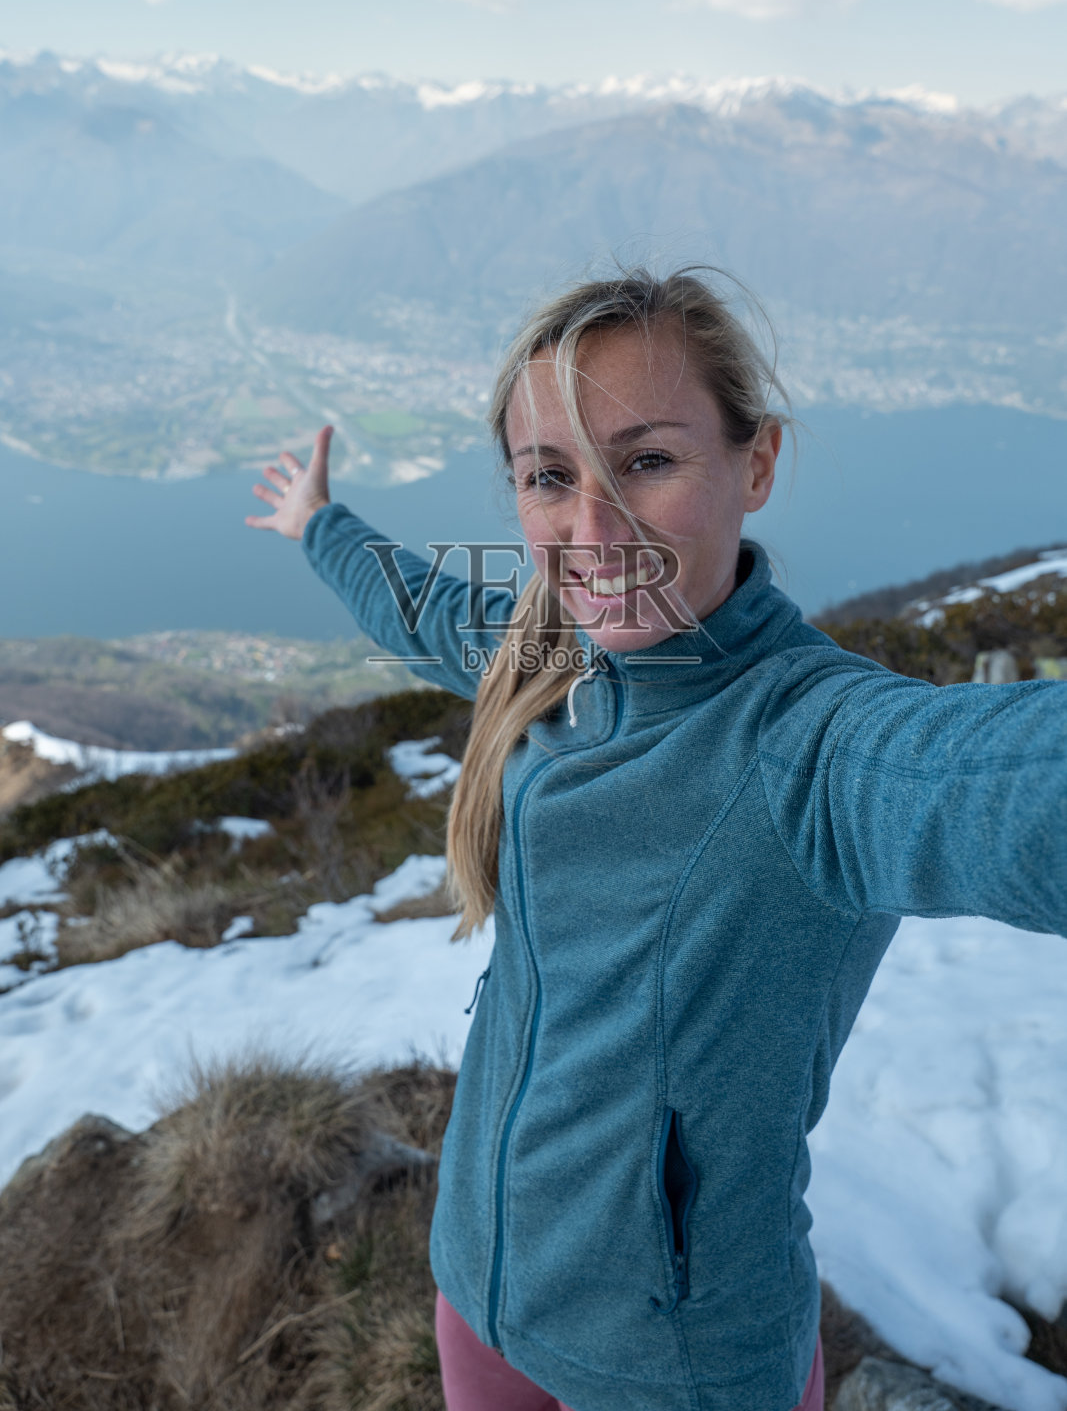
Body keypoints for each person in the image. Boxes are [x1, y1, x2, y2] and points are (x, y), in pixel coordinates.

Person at [246, 268, 1067, 1411]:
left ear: (756, 462)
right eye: (548, 477)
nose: (592, 530)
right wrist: (319, 525)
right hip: (479, 1293)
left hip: (675, 1370)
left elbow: (995, 780)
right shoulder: (547, 651)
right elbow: (428, 607)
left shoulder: (810, 750)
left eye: (645, 460)